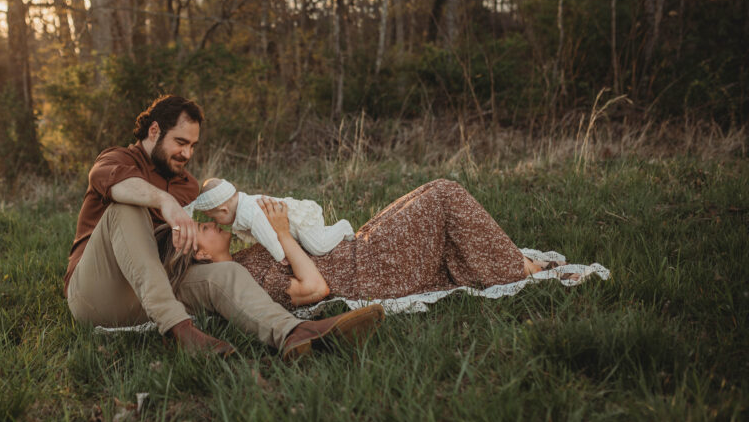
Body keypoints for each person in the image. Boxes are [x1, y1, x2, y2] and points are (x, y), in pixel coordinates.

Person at [63, 94, 385, 361]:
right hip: (97, 292)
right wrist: (164, 202)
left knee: (225, 274)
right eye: (180, 142)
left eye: (193, 145)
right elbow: (119, 188)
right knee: (127, 208)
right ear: (154, 131)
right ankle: (180, 332)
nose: (187, 153)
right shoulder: (117, 160)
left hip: (154, 293)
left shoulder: (187, 185)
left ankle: (293, 334)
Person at [160, 179, 564, 310]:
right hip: (366, 270)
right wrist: (282, 232)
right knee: (443, 194)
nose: (208, 223)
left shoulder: (244, 253)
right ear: (200, 252)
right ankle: (515, 268)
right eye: (202, 227)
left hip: (357, 250)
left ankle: (507, 260)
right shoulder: (239, 278)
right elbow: (315, 289)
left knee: (430, 192)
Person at [191, 177, 355, 263]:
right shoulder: (242, 206)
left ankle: (343, 227)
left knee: (318, 248)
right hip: (293, 227)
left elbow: (267, 236)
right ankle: (326, 231)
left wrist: (280, 256)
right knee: (309, 243)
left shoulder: (248, 212)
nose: (216, 222)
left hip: (300, 220)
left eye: (214, 217)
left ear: (224, 210)